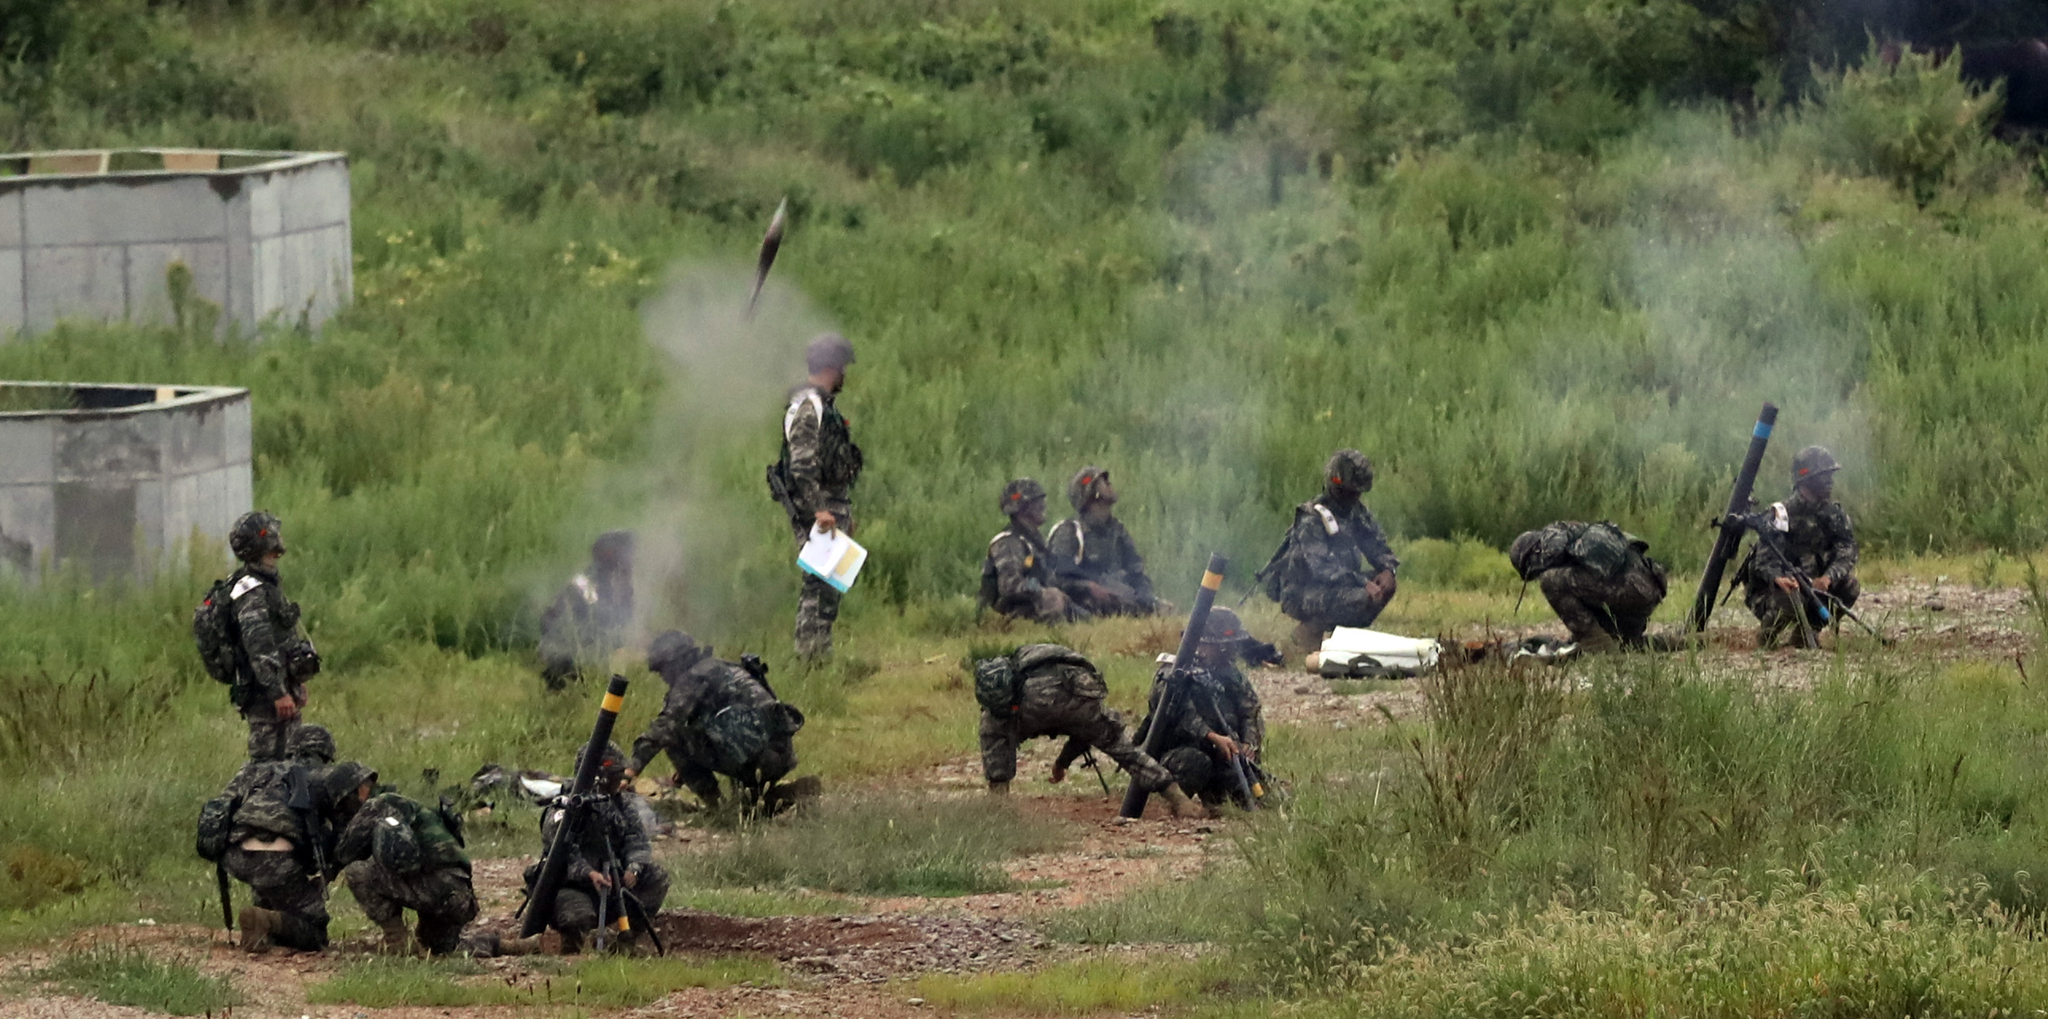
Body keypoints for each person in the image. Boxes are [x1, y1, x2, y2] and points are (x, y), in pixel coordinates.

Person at [972, 644, 1196, 816]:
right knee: (1121, 748)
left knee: (1120, 748)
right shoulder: (1000, 712)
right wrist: (1062, 763)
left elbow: (1083, 728)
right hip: (1071, 698)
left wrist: (1063, 762)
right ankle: (999, 809)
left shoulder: (1043, 696)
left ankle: (1179, 800)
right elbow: (1083, 728)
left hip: (1072, 697)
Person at [625, 630, 804, 809]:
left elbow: (665, 726)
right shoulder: (721, 667)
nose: (663, 678)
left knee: (673, 737)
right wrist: (687, 770)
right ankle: (789, 797)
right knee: (747, 809)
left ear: (674, 663)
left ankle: (715, 806)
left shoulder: (692, 678)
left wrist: (631, 770)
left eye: (662, 670)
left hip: (755, 759)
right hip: (780, 754)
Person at [523, 741, 671, 954]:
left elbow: (636, 839)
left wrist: (634, 868)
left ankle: (621, 943)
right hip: (573, 886)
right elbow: (563, 852)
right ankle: (571, 947)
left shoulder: (621, 803)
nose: (619, 781)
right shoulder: (566, 807)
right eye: (614, 774)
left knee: (657, 877)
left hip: (613, 882)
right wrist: (589, 873)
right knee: (578, 917)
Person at [217, 758, 376, 953]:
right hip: (275, 862)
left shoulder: (265, 773)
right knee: (316, 932)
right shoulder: (333, 784)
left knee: (279, 887)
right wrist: (329, 871)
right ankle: (266, 921)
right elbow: (343, 840)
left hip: (234, 856)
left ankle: (267, 917)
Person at [772, 333, 864, 660]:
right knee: (817, 583)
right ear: (832, 366)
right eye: (842, 368)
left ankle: (821, 654)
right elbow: (802, 464)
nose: (844, 376)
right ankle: (809, 659)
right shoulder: (809, 407)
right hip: (817, 505)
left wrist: (841, 510)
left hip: (831, 502)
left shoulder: (822, 405)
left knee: (833, 585)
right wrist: (820, 510)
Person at [1256, 450, 1401, 648]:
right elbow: (1322, 569)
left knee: (1385, 586)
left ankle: (1340, 639)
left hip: (1338, 585)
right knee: (1363, 597)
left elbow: (1376, 544)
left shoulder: (1355, 511)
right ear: (1337, 486)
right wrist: (1363, 583)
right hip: (1302, 592)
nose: (1355, 497)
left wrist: (1388, 570)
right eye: (1351, 491)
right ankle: (1308, 632)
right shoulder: (1312, 518)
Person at [336, 790, 494, 956]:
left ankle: (397, 939)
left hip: (437, 889)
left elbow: (345, 853)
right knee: (438, 947)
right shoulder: (416, 811)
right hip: (460, 900)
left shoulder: (378, 805)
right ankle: (503, 945)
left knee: (357, 871)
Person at [1139, 608, 1267, 813]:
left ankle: (1216, 798)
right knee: (1195, 763)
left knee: (1259, 792)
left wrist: (1248, 744)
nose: (1229, 652)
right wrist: (1213, 736)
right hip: (1181, 752)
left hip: (1224, 755)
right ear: (1201, 644)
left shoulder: (1231, 675)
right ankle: (1177, 802)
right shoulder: (1173, 674)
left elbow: (1250, 711)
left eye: (1230, 646)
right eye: (1221, 647)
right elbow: (1182, 715)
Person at [222, 511, 322, 762]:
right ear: (264, 542)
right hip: (264, 694)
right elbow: (259, 645)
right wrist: (278, 692)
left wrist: (294, 684)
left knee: (292, 759)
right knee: (268, 765)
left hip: (279, 686)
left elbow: (281, 639)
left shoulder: (265, 582)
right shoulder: (251, 590)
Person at [1741, 445, 1860, 648]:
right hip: (1775, 593)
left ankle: (1806, 633)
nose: (1830, 482)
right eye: (1824, 476)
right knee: (1790, 598)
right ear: (1806, 480)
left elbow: (1847, 550)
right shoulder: (1781, 514)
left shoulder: (1832, 513)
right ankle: (1768, 638)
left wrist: (1827, 578)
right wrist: (1781, 579)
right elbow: (1764, 562)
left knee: (1850, 586)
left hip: (1814, 585)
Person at [1508, 521, 1669, 653]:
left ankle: (1599, 646)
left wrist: (1587, 638)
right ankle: (1685, 641)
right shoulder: (1573, 532)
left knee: (1551, 581)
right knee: (1625, 644)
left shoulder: (1550, 542)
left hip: (1628, 587)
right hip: (1650, 587)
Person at [1047, 467, 1168, 617]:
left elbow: (1136, 571)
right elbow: (1055, 578)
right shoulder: (1070, 532)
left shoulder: (1117, 530)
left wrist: (1147, 598)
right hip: (1085, 606)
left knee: (1165, 611)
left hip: (1121, 598)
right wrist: (1088, 587)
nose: (1109, 484)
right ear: (1093, 495)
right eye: (1103, 482)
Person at [538, 531, 635, 690]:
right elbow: (605, 622)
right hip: (569, 658)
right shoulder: (585, 585)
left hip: (589, 655)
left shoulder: (619, 587)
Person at [979, 479, 1085, 624]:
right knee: (1054, 600)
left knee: (1085, 618)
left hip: (1032, 607)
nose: (1042, 505)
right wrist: (1042, 591)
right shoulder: (1009, 542)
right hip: (1010, 614)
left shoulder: (1033, 542)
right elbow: (1009, 586)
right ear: (1022, 508)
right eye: (1036, 501)